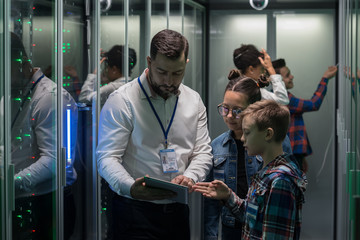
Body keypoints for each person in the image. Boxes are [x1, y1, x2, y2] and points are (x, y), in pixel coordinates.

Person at [96, 29, 212, 239]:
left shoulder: (193, 101)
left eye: (177, 73)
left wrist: (189, 177)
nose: (169, 80)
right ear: (149, 62)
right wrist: (130, 187)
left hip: (177, 212)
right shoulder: (122, 100)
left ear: (186, 63)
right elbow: (106, 157)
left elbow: (203, 152)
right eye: (162, 72)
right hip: (133, 212)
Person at [194, 99, 307, 240]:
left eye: (247, 132)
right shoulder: (265, 172)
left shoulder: (280, 182)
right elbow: (252, 216)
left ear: (268, 134)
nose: (242, 138)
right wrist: (228, 196)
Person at [203, 70, 292, 240]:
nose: (229, 116)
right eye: (225, 108)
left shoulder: (273, 141)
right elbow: (211, 203)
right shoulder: (216, 146)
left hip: (265, 226)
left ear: (253, 108)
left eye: (237, 111)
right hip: (231, 226)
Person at [9, 32, 78, 239]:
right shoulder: (11, 93)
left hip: (46, 203)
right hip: (19, 200)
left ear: (19, 61)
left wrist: (10, 184)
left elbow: (55, 161)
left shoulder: (50, 97)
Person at [272, 58, 338, 172]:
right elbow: (314, 104)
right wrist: (325, 79)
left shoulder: (277, 96)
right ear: (278, 80)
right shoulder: (283, 99)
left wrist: (301, 157)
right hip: (290, 154)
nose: (292, 77)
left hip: (291, 153)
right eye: (287, 75)